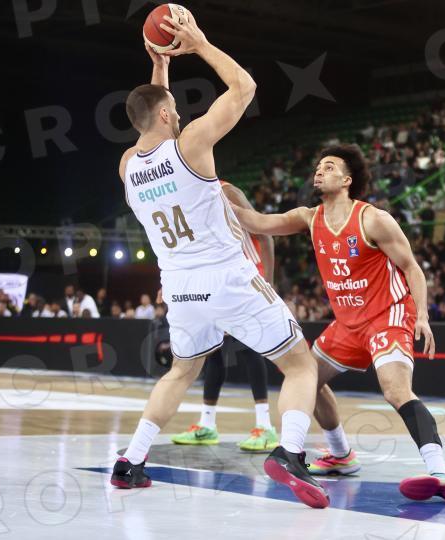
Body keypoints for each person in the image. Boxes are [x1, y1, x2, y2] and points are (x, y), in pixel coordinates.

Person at [109, 16, 329, 509]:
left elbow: (153, 115)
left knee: (180, 372)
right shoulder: (190, 145)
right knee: (300, 364)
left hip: (179, 286)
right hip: (226, 275)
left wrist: (160, 66)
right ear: (166, 114)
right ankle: (291, 453)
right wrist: (201, 45)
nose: (180, 115)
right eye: (174, 111)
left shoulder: (127, 167)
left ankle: (131, 460)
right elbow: (244, 87)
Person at [233, 144, 445, 503]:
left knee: (395, 390)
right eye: (318, 166)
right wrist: (214, 198)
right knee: (306, 379)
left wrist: (421, 314)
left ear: (347, 180)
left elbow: (412, 267)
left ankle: (440, 472)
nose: (319, 171)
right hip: (347, 324)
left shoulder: (373, 219)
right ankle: (341, 454)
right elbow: (257, 222)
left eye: (328, 167)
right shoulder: (309, 217)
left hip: (387, 315)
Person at [171, 180, 279, 452]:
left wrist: (267, 281)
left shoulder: (227, 191)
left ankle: (265, 426)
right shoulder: (188, 198)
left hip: (246, 276)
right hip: (217, 282)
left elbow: (265, 235)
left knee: (248, 348)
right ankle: (207, 424)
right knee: (213, 352)